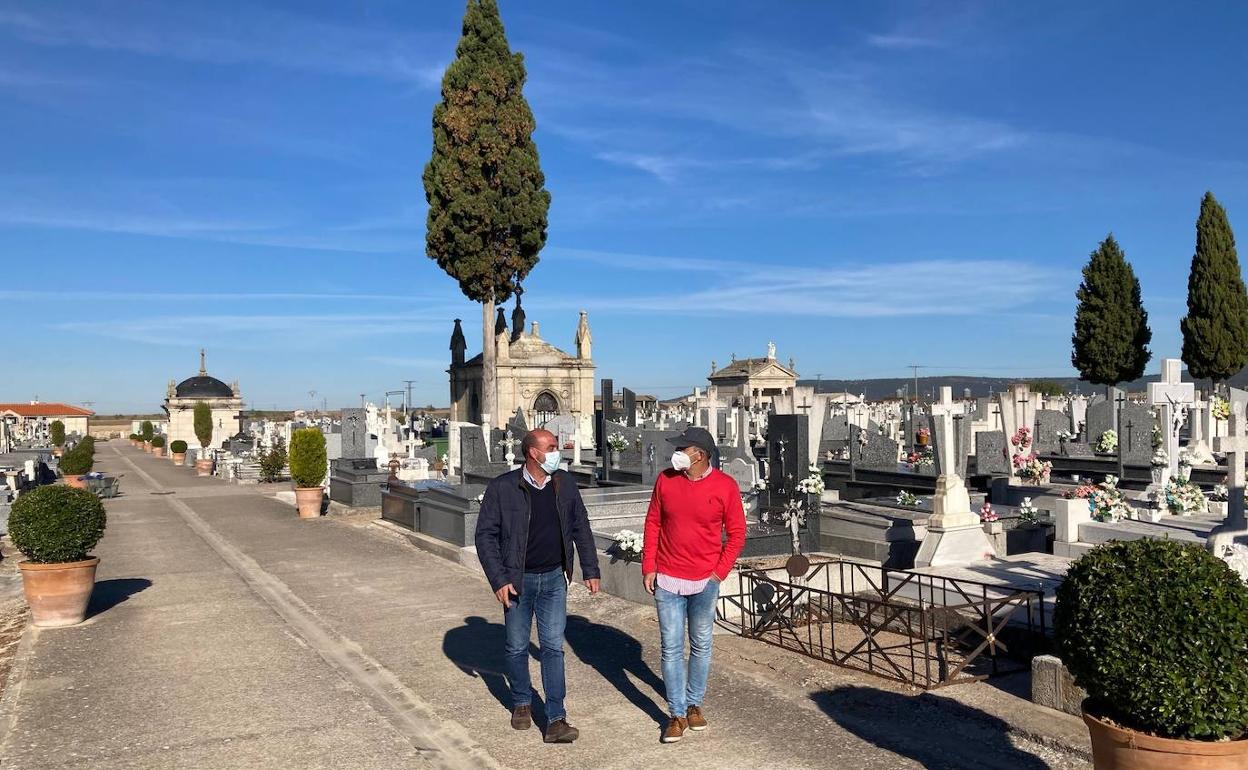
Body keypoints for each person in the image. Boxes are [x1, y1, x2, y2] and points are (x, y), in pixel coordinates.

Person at [475, 428, 601, 743]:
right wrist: (499, 579)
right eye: (552, 447)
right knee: (517, 645)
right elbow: (485, 535)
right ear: (533, 452)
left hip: (554, 578)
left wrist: (590, 567)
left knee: (552, 648)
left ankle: (556, 718)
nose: (558, 452)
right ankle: (521, 701)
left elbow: (580, 525)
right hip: (518, 580)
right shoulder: (503, 488)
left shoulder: (565, 483)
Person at [642, 426, 746, 744]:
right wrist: (649, 566)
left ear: (699, 454)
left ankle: (694, 705)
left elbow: (737, 533)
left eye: (682, 448)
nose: (676, 453)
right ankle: (675, 714)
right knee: (671, 648)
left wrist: (718, 573)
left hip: (705, 581)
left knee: (700, 645)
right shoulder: (666, 480)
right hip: (669, 579)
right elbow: (653, 522)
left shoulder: (725, 487)